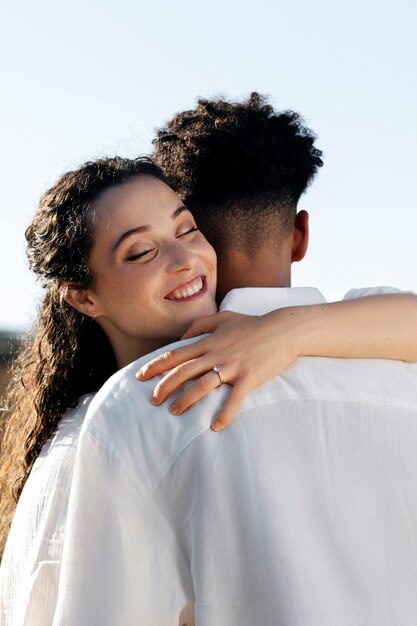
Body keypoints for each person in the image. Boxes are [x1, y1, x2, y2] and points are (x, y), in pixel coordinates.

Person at [33, 95, 417, 625]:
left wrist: (285, 331)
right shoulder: (396, 363)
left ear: (203, 234)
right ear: (300, 234)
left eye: (185, 230)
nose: (181, 256)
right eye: (143, 249)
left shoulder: (144, 405)